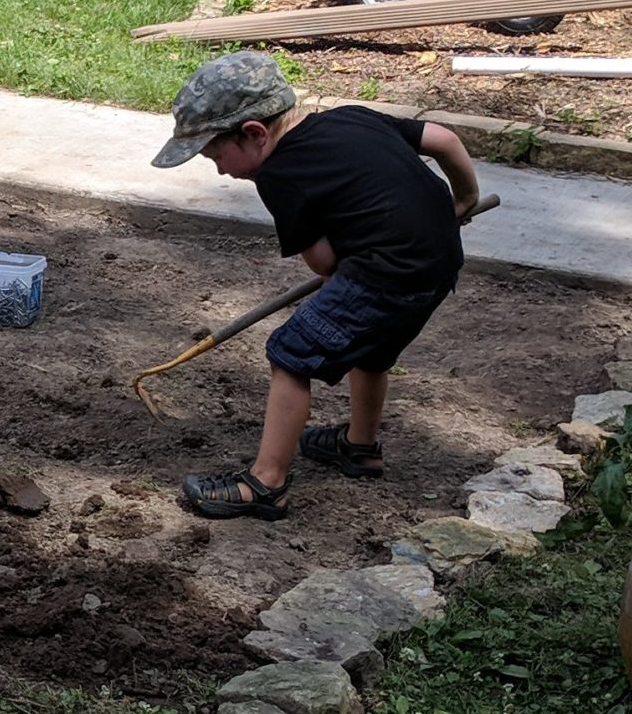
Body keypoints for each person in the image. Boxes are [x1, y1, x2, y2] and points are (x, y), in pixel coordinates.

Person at [151, 50, 482, 520]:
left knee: (290, 352)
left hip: (384, 273)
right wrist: (463, 198)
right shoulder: (354, 116)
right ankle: (359, 446)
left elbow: (325, 263)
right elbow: (444, 139)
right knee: (371, 347)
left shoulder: (281, 174)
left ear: (254, 133)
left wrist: (355, 261)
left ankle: (266, 483)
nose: (220, 170)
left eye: (215, 155)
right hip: (439, 263)